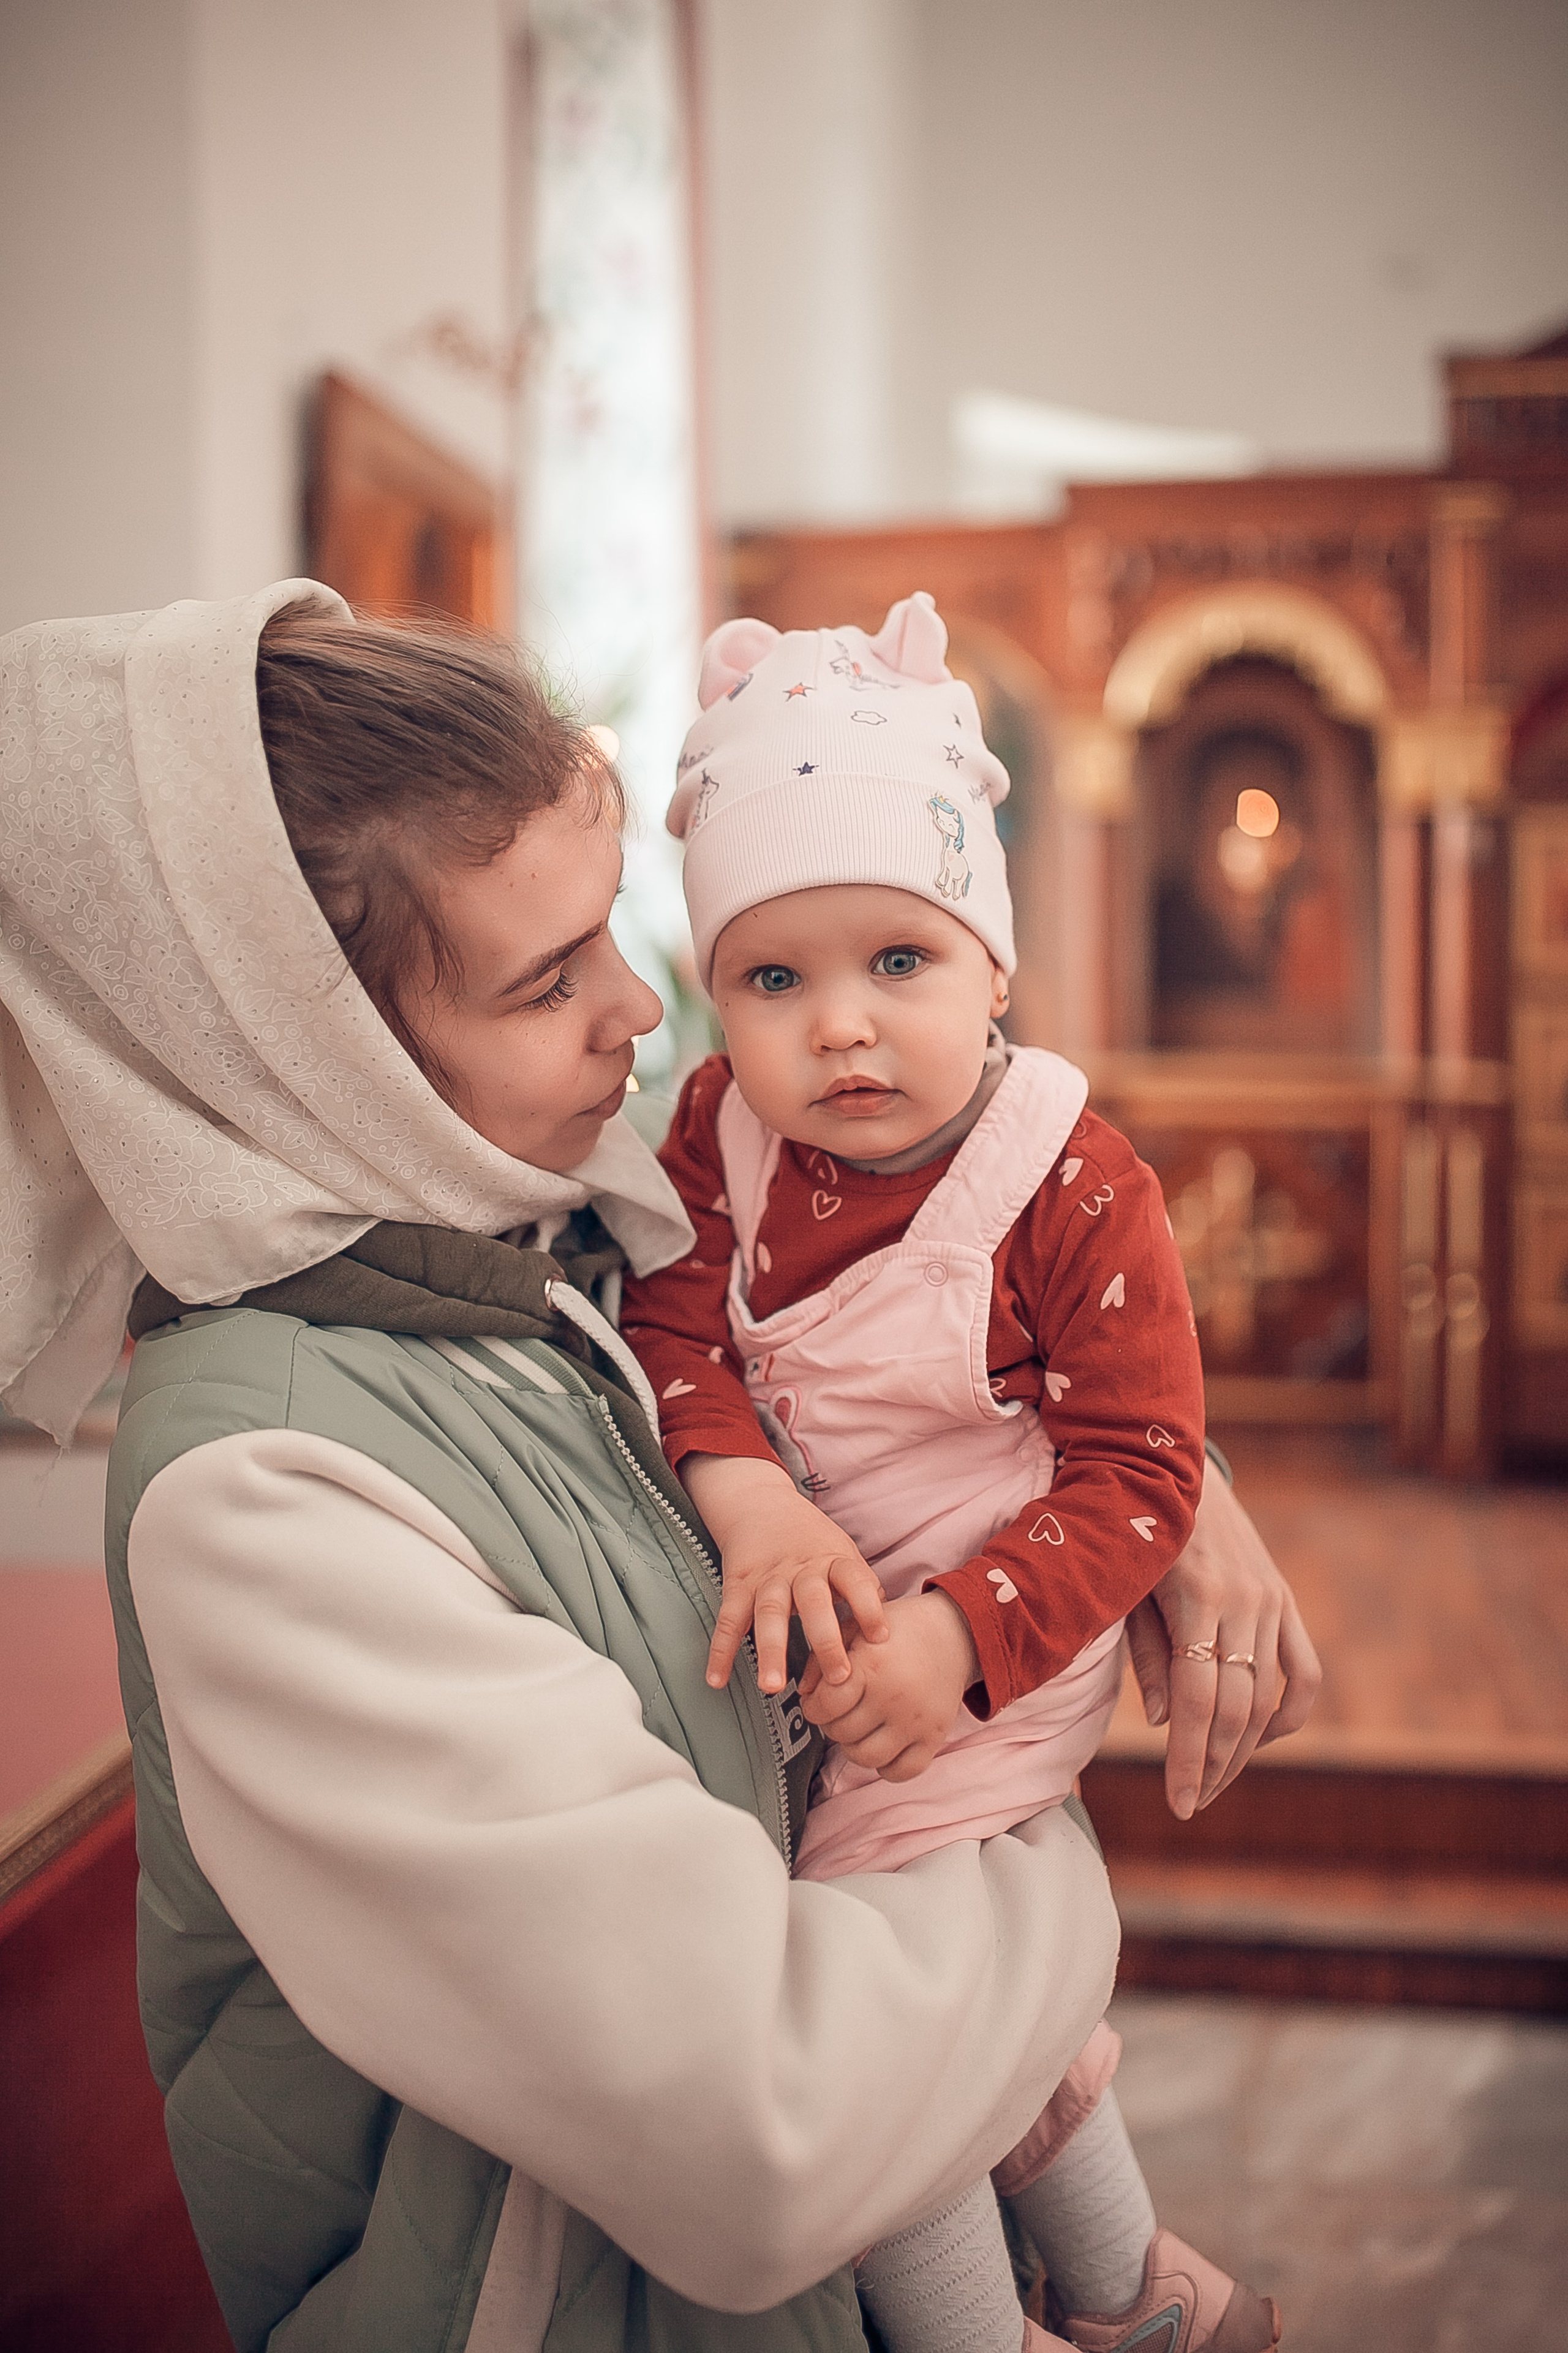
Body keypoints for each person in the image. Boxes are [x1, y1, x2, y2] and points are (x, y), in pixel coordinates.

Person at [0, 584, 1320, 2353]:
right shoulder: (265, 1499)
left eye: (616, 935)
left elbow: (906, 1358)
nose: (644, 1009)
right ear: (302, 1055)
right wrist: (1043, 1841)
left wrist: (1180, 1493)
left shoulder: (550, 1226)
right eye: (549, 979)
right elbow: (779, 2121)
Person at [622, 593, 1278, 2353]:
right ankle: (1134, 2290)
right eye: (776, 977)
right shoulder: (716, 1131)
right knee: (962, 2003)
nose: (839, 1028)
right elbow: (674, 1326)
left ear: (995, 962)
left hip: (999, 1632)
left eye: (896, 962)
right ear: (715, 996)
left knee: (865, 2015)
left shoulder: (1068, 1182)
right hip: (839, 1619)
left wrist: (957, 1637)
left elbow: (1145, 1465)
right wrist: (746, 1491)